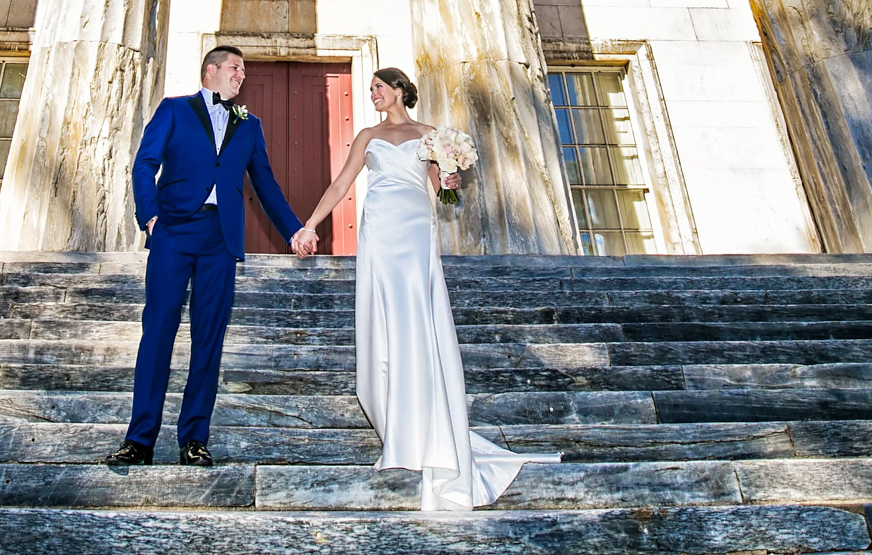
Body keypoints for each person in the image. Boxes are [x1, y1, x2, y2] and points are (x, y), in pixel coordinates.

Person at [296, 66, 552, 510]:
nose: (373, 93)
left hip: (416, 230)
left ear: (398, 91)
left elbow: (441, 188)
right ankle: (396, 417)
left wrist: (450, 181)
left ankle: (426, 420)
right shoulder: (366, 137)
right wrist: (309, 225)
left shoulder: (430, 135)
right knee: (385, 315)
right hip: (380, 231)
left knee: (418, 313)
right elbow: (342, 183)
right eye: (371, 88)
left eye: (379, 86)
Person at [104, 45, 317, 468]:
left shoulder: (249, 125)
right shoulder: (173, 109)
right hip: (173, 232)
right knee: (158, 333)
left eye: (243, 71)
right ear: (211, 71)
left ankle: (195, 439)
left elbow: (266, 186)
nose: (241, 76)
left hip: (220, 239)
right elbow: (144, 164)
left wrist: (294, 230)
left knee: (209, 339)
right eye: (235, 68)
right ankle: (139, 439)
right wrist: (149, 218)